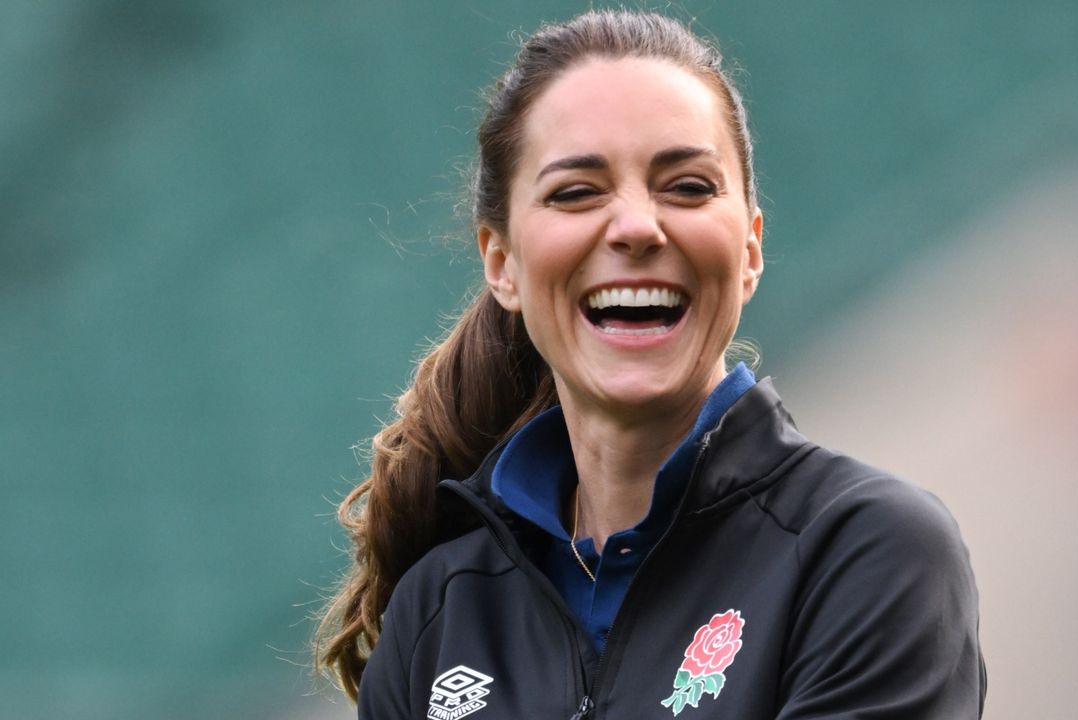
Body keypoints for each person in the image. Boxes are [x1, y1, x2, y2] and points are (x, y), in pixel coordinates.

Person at [315, 10, 985, 719]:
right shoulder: (438, 616)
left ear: (751, 248)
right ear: (502, 263)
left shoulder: (862, 552)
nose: (637, 226)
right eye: (576, 192)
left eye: (688, 186)